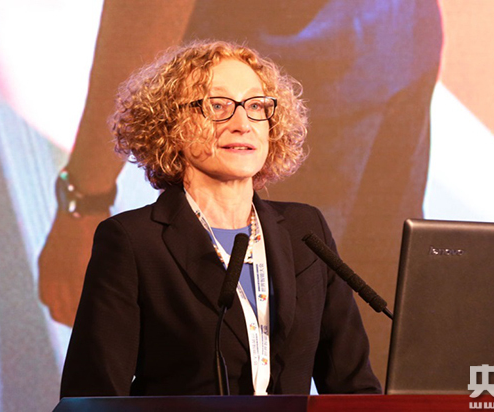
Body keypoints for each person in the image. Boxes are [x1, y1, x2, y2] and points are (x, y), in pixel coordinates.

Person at [60, 40, 381, 396]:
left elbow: (355, 388)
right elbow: (92, 396)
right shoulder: (133, 242)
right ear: (170, 124)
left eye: (256, 106)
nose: (242, 124)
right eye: (217, 106)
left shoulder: (306, 232)